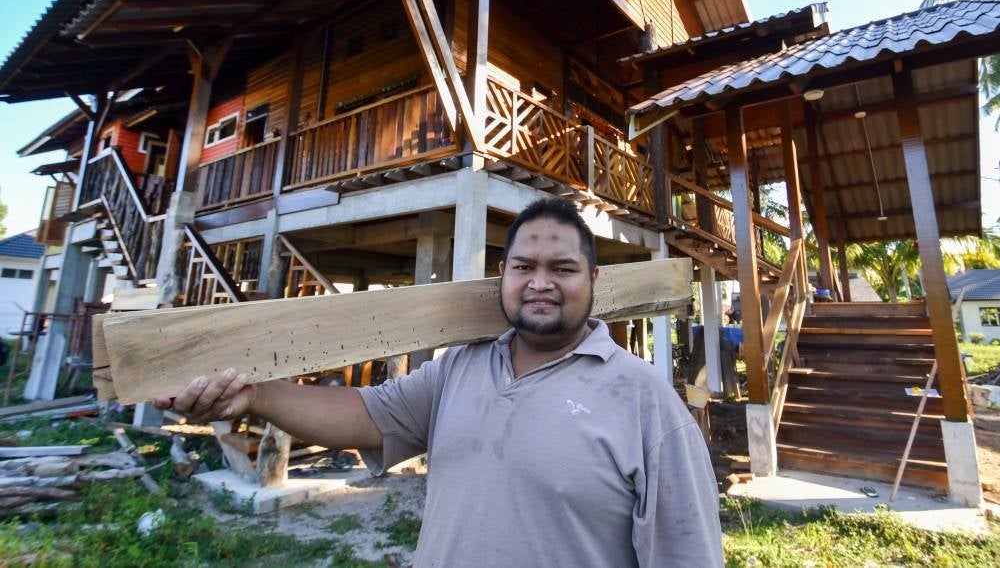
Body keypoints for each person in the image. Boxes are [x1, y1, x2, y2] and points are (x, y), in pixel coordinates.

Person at [156, 198, 723, 567]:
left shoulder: (646, 401)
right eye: (524, 267)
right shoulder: (461, 367)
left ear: (593, 279)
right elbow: (365, 415)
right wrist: (258, 396)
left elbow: (687, 555)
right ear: (503, 275)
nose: (540, 284)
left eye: (563, 269)